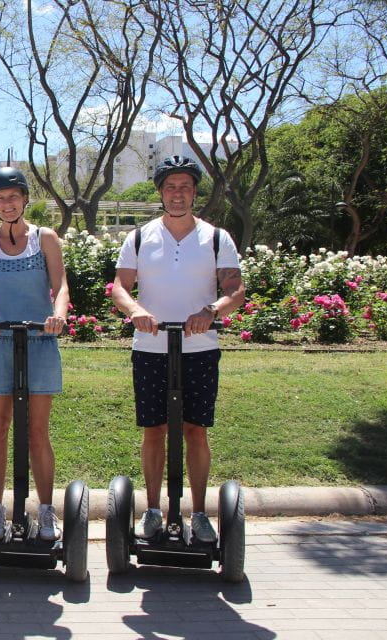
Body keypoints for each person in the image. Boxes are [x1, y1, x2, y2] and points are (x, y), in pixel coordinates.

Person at [111, 155, 246, 542]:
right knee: (153, 430)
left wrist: (212, 310)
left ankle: (200, 513)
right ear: (161, 192)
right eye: (170, 187)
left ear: (195, 192)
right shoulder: (139, 237)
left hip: (199, 347)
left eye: (185, 187)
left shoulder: (216, 238)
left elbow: (235, 289)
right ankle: (153, 510)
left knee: (195, 430)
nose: (177, 194)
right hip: (151, 347)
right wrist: (135, 309)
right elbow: (120, 286)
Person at [0, 166, 70, 542]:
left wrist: (58, 315)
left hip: (39, 341)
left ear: (24, 199)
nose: (7, 204)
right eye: (0, 198)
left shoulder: (46, 238)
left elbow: (61, 285)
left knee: (38, 431)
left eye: (13, 197)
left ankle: (47, 510)